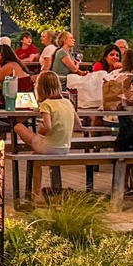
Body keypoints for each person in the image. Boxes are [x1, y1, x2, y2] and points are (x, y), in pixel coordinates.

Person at [13, 71, 78, 199]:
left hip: (49, 147)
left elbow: (48, 127)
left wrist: (41, 131)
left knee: (18, 126)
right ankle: (37, 194)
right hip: (64, 147)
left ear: (39, 88)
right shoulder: (67, 102)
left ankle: (36, 194)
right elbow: (78, 125)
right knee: (35, 156)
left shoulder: (46, 104)